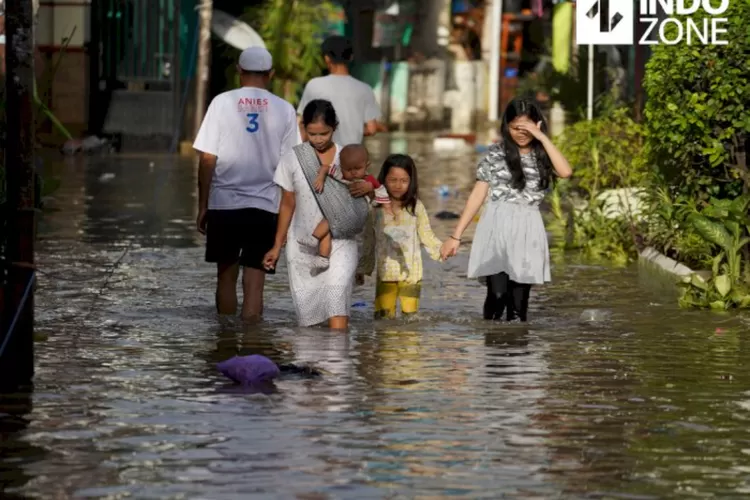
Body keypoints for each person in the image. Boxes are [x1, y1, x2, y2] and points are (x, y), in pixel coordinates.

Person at [440, 97, 573, 322]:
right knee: (498, 294)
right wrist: (456, 236)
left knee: (518, 307)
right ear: (506, 126)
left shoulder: (543, 155)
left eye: (526, 128)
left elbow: (566, 172)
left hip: (528, 230)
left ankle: (515, 354)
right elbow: (477, 195)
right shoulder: (495, 154)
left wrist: (541, 137)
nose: (520, 133)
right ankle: (491, 350)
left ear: (538, 124)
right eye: (515, 128)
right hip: (495, 227)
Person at [193, 47, 301, 320]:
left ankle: (225, 344)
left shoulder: (221, 102)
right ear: (271, 74)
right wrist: (287, 221)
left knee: (225, 279)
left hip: (224, 204)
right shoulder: (285, 109)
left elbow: (207, 159)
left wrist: (203, 205)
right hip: (265, 207)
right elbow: (291, 168)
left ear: (239, 71)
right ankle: (253, 346)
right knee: (255, 286)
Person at [262, 100, 374, 330]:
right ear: (303, 129)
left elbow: (365, 197)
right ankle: (312, 363)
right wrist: (276, 245)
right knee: (309, 318)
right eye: (312, 134)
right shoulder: (292, 159)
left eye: (324, 133)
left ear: (335, 127)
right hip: (302, 244)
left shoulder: (349, 157)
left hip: (342, 241)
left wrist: (369, 189)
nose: (318, 139)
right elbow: (287, 203)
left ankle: (337, 363)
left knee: (337, 301)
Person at [358, 154, 444, 319]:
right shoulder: (375, 209)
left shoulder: (416, 208)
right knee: (383, 319)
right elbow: (368, 240)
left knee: (410, 319)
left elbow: (427, 235)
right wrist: (362, 268)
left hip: (412, 275)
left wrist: (442, 251)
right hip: (385, 274)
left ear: (411, 181)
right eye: (393, 180)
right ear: (383, 180)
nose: (398, 185)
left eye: (404, 181)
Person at [306, 144, 389, 263]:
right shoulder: (340, 175)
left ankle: (314, 242)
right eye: (348, 169)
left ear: (367, 166)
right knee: (328, 224)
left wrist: (371, 190)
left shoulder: (369, 180)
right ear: (342, 167)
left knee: (361, 244)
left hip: (358, 217)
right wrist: (320, 177)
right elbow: (325, 167)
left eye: (357, 168)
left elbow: (384, 197)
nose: (353, 173)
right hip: (340, 213)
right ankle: (319, 251)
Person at [296, 36, 381, 146]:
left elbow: (302, 123)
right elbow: (372, 129)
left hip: (322, 155)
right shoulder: (365, 89)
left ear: (327, 58)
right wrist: (354, 131)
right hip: (351, 155)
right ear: (351, 57)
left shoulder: (314, 85)